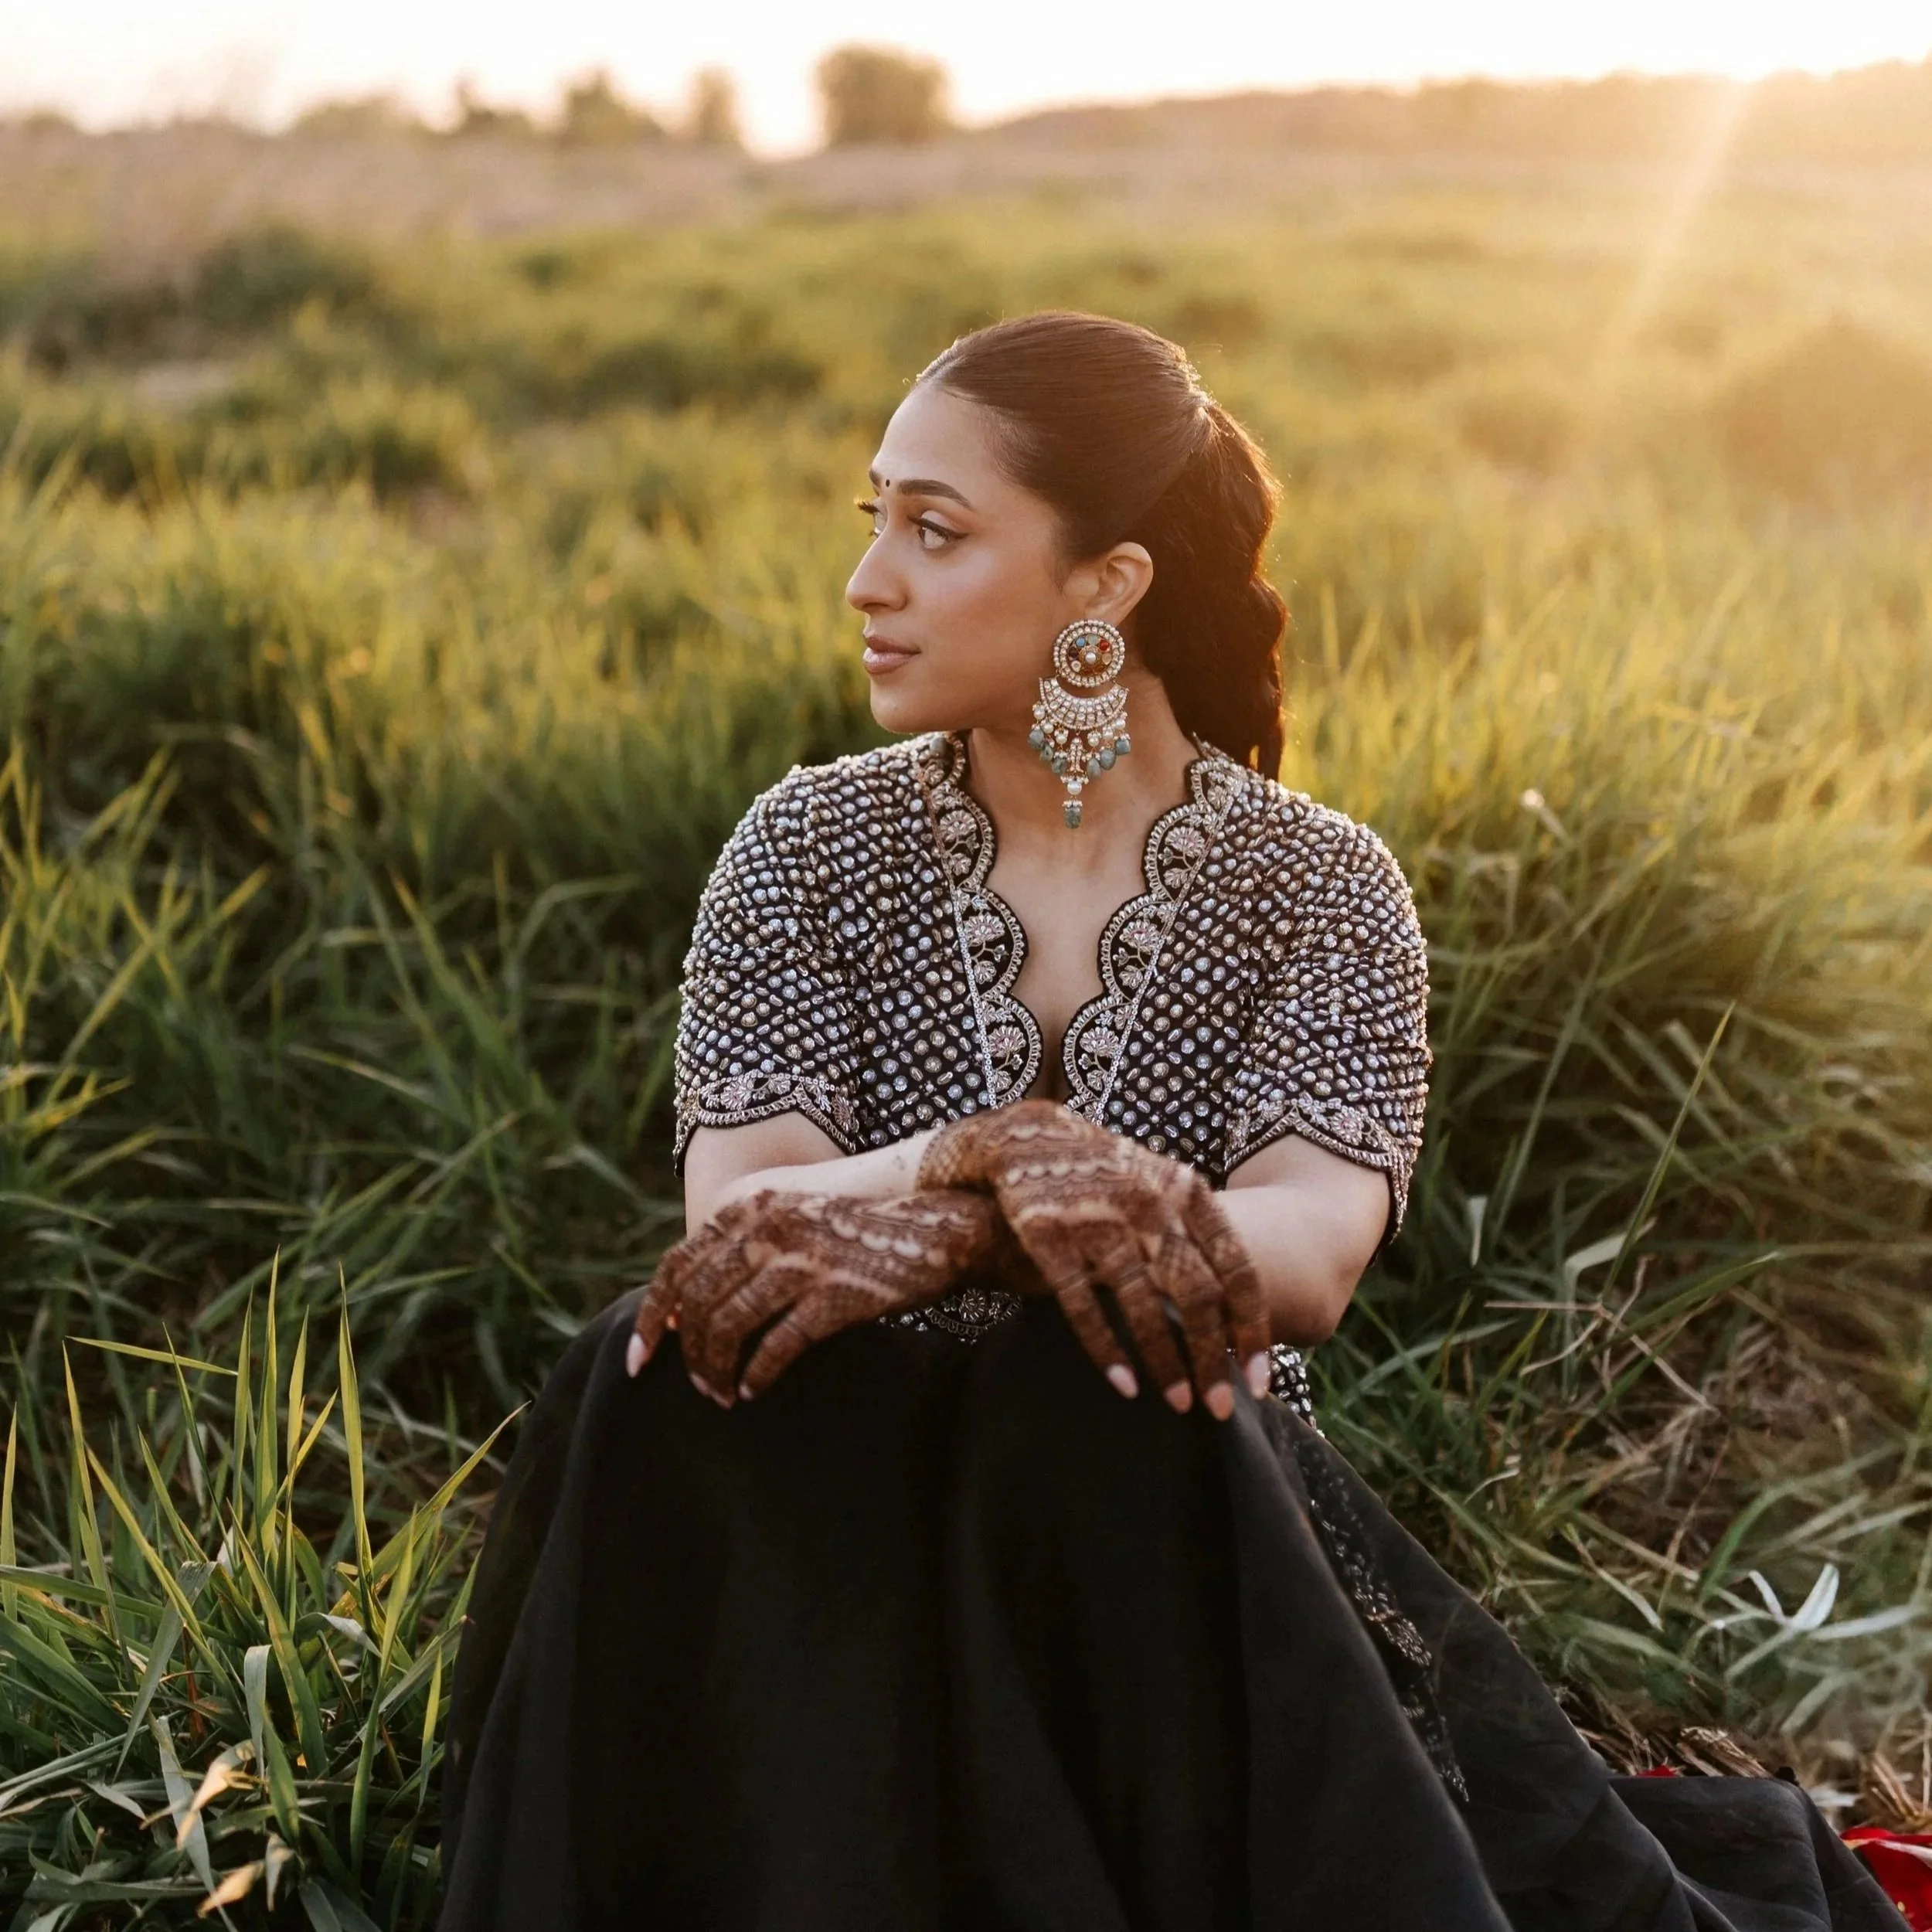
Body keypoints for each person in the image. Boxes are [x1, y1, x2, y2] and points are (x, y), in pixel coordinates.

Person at [437, 312, 1900, 1931]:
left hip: (1143, 1498)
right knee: (665, 1360)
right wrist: (972, 1152)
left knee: (1104, 1366)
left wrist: (993, 1215)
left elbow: (1309, 1247)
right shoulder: (804, 845)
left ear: (1102, 586)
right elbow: (743, 1218)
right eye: (873, 521)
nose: (868, 579)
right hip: (836, 1488)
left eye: (934, 530)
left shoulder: (1318, 882)